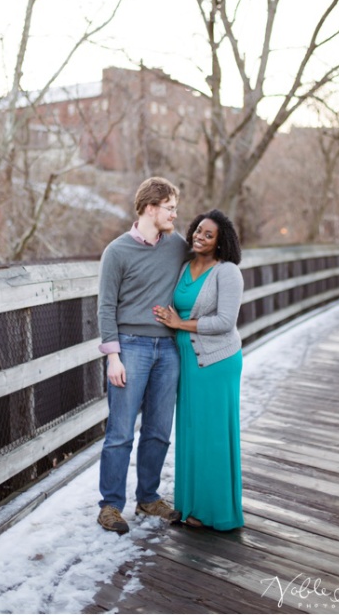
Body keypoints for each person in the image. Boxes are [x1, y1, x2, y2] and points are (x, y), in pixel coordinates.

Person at [96, 177, 190, 535]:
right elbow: (106, 307)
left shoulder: (177, 246)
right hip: (130, 346)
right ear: (151, 208)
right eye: (170, 207)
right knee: (120, 431)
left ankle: (148, 497)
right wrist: (113, 356)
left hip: (168, 348)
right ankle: (110, 506)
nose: (174, 214)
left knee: (159, 431)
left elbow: (208, 261)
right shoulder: (117, 252)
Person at [153, 209, 245, 531]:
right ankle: (191, 505)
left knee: (214, 435)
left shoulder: (227, 272)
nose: (200, 237)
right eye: (198, 231)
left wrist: (180, 323)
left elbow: (225, 322)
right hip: (188, 361)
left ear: (221, 243)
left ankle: (216, 512)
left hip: (217, 361)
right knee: (192, 432)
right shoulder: (184, 267)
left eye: (209, 235)